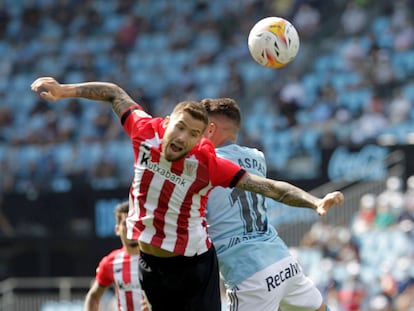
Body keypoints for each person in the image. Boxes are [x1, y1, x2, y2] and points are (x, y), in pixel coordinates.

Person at [31, 77, 344, 311]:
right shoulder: (144, 131)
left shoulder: (208, 164)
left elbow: (270, 187)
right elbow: (113, 93)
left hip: (196, 264)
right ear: (166, 123)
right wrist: (64, 90)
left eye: (194, 134)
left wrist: (314, 201)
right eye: (180, 127)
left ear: (201, 140)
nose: (183, 138)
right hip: (152, 263)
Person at [202, 97, 335, 311]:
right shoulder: (257, 158)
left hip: (248, 274)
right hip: (283, 263)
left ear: (210, 129)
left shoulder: (205, 163)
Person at [84, 201, 147, 311]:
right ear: (117, 229)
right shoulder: (110, 263)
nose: (131, 228)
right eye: (126, 224)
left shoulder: (156, 259)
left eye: (134, 223)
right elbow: (93, 296)